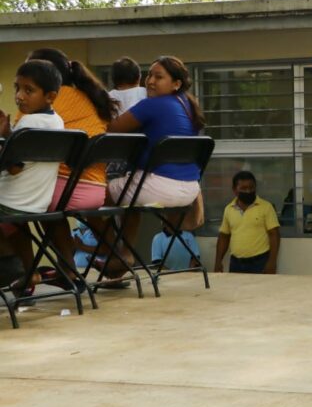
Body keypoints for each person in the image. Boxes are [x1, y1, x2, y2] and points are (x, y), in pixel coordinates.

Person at [20, 49, 117, 289]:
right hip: (95, 191)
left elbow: (18, 148)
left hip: (65, 190)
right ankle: (95, 258)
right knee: (45, 203)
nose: (22, 93)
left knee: (18, 204)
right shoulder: (89, 97)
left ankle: (30, 271)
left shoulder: (48, 102)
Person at [103, 56, 205, 277]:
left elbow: (111, 127)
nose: (150, 81)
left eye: (159, 77)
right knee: (131, 191)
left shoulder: (152, 105)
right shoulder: (188, 105)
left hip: (159, 187)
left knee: (98, 195)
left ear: (176, 83)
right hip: (189, 191)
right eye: (149, 75)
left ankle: (114, 252)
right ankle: (124, 252)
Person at [0, 60, 67, 293]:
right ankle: (27, 272)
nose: (20, 96)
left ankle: (16, 269)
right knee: (13, 225)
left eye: (29, 90)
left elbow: (14, 167)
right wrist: (9, 134)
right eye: (17, 88)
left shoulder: (28, 122)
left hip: (9, 202)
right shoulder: (57, 121)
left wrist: (5, 138)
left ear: (50, 96)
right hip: (36, 202)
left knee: (8, 224)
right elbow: (25, 157)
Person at [214, 171, 280, 274]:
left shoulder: (266, 207)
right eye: (244, 188)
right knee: (235, 290)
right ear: (235, 190)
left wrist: (272, 262)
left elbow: (274, 235)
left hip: (260, 262)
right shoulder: (229, 209)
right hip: (236, 263)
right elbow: (224, 236)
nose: (248, 191)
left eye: (251, 187)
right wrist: (218, 261)